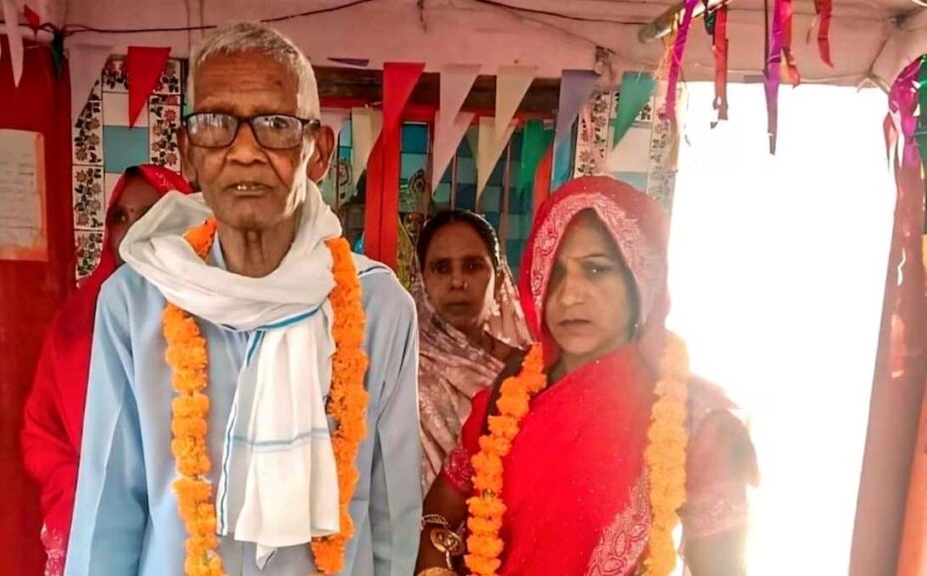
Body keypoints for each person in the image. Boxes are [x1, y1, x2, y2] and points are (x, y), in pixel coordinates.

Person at [64, 23, 421, 576]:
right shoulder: (134, 303)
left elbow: (392, 516)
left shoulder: (379, 308)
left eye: (277, 125)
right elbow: (107, 513)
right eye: (216, 124)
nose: (246, 152)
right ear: (188, 154)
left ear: (319, 152)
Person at [415, 176, 757, 576]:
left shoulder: (696, 422)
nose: (569, 294)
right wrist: (433, 563)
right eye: (555, 272)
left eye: (596, 269)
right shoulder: (510, 393)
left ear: (640, 277)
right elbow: (441, 507)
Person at [22, 164, 192, 575]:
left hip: (185, 522)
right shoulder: (75, 322)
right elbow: (40, 431)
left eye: (149, 214)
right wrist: (83, 489)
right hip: (93, 515)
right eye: (120, 216)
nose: (132, 230)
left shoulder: (211, 314)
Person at [413, 211, 530, 492]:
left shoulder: (528, 367)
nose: (457, 282)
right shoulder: (405, 370)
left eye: (473, 266)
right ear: (422, 280)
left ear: (499, 279)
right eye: (441, 268)